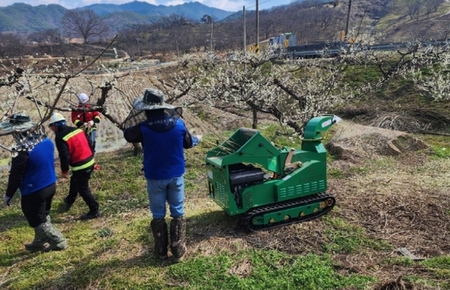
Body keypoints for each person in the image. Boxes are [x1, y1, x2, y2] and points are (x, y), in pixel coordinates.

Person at [123, 88, 201, 262]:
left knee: (158, 214)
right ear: (163, 106)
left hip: (155, 176)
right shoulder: (179, 124)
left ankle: (161, 252)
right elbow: (188, 143)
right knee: (177, 211)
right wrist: (197, 139)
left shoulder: (142, 128)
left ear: (146, 109)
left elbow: (128, 135)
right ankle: (178, 251)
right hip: (176, 175)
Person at [2, 113, 67, 252]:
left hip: (34, 190)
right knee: (43, 213)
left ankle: (58, 240)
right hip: (50, 184)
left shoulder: (22, 150)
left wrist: (8, 195)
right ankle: (39, 241)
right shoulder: (45, 141)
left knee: (36, 219)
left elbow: (16, 176)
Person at [48, 112, 100, 220]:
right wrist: (92, 160)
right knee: (75, 180)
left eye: (51, 126)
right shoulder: (77, 130)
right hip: (89, 161)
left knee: (83, 189)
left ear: (56, 126)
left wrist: (64, 171)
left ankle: (94, 210)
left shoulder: (60, 137)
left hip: (81, 166)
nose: (51, 129)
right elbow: (89, 143)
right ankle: (69, 200)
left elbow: (64, 156)